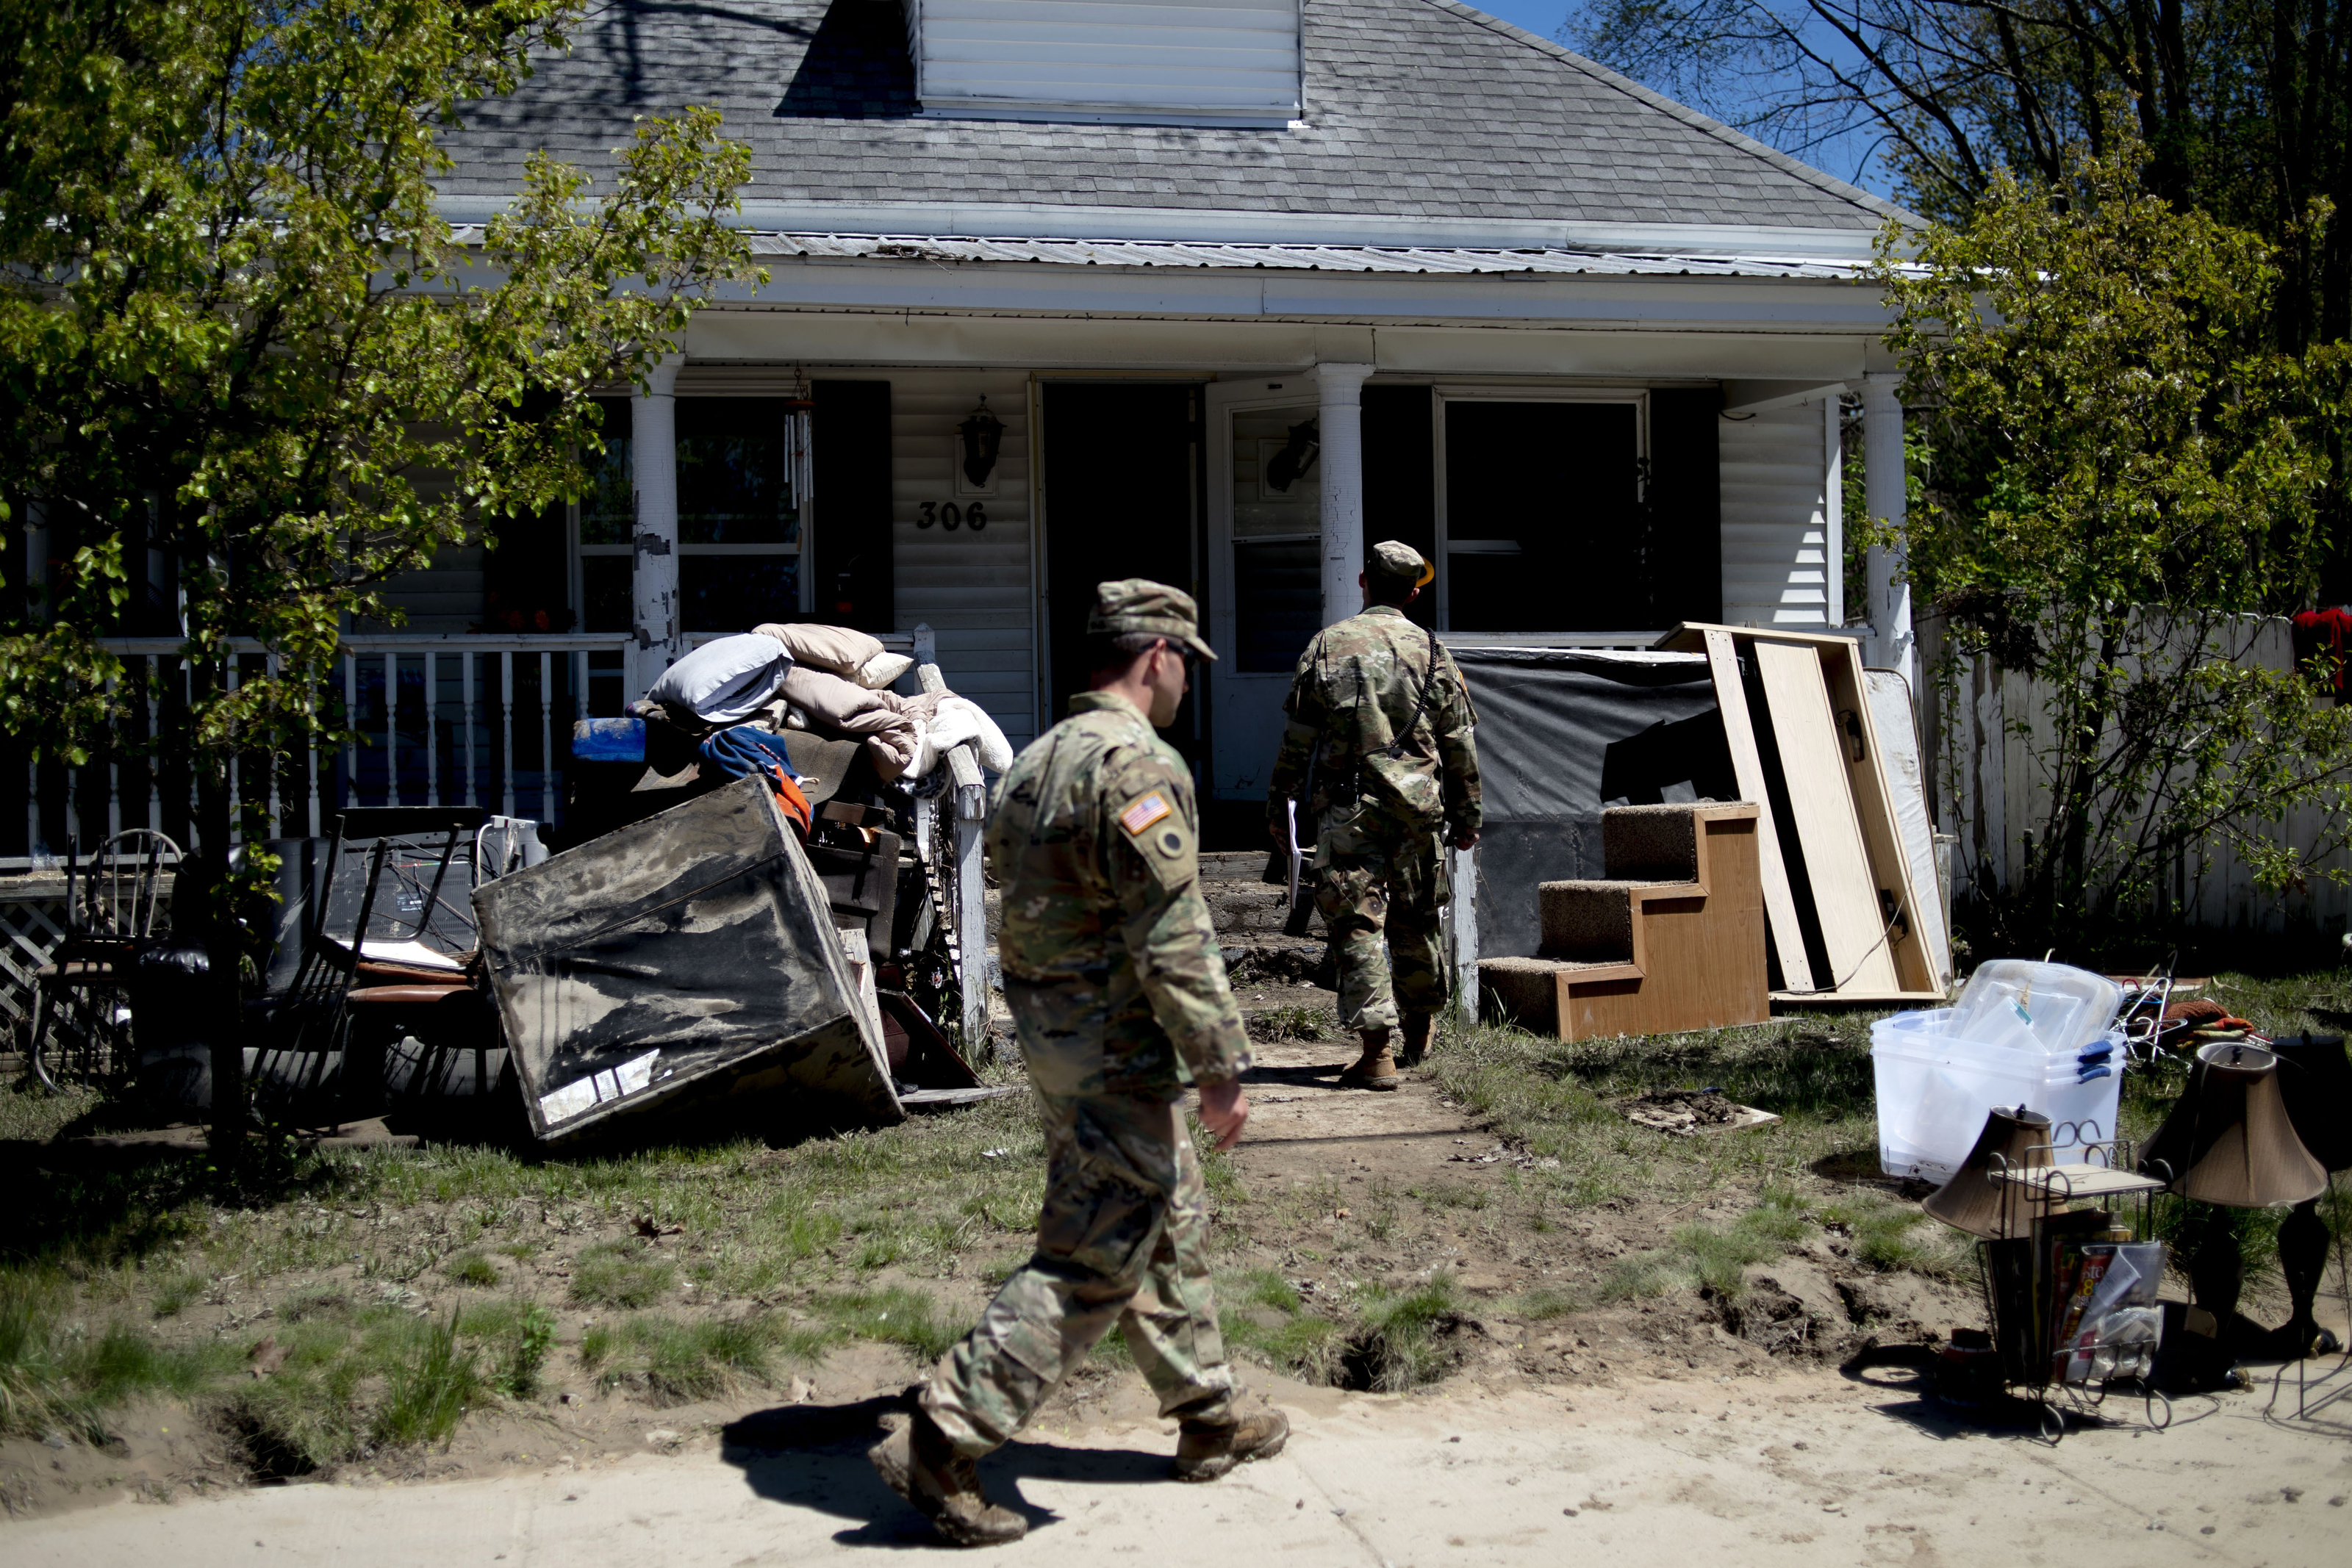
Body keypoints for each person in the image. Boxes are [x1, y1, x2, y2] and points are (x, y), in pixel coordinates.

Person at [870, 578, 1289, 1548]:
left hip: (1058, 1044)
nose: (1186, 680)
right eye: (1185, 661)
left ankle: (1207, 1414)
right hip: (1115, 1050)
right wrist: (1221, 1061)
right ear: (1156, 658)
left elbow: (1017, 916)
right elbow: (1173, 930)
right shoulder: (1135, 762)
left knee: (1167, 1209)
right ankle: (947, 1430)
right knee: (1098, 1251)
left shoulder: (1037, 760)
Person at [1266, 541, 1481, 1090]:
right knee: (1417, 920)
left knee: (1359, 926)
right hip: (1419, 814)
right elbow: (1459, 744)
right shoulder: (1435, 652)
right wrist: (1467, 814)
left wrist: (1279, 805)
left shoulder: (1329, 646)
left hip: (1349, 809)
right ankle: (1419, 1033)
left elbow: (1298, 740)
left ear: (1363, 580)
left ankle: (1376, 1053)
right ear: (1413, 592)